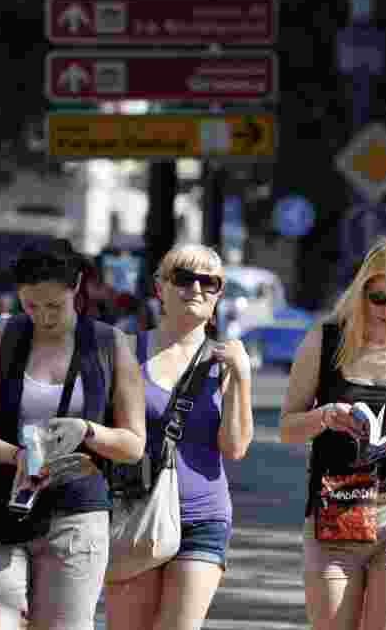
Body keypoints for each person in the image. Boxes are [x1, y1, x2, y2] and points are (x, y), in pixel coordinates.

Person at [0, 238, 146, 630]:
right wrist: (17, 456)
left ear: (76, 286)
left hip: (76, 517)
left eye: (54, 306)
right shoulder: (0, 336)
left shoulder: (110, 344)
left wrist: (87, 431)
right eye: (30, 305)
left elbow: (133, 445)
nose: (42, 317)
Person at [279, 237, 386, 630]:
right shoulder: (326, 341)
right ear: (361, 292)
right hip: (337, 510)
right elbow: (287, 427)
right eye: (378, 298)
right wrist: (324, 416)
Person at [104, 243, 255, 630]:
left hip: (203, 516)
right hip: (134, 511)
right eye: (184, 278)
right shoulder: (126, 351)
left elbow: (235, 448)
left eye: (210, 282)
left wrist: (241, 377)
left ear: (220, 293)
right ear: (160, 287)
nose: (197, 288)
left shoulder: (225, 361)